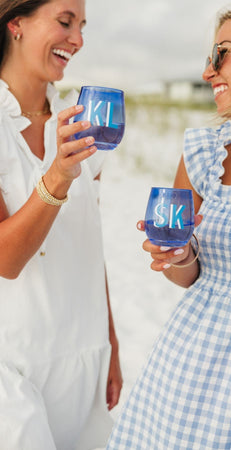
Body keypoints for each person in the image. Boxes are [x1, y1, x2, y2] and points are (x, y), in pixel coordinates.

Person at [106, 0, 231, 448]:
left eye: (222, 54)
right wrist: (178, 255)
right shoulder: (202, 153)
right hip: (198, 366)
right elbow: (187, 276)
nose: (207, 71)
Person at [0, 0, 123, 449]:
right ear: (17, 23)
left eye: (83, 26)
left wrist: (110, 343)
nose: (78, 40)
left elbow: (89, 242)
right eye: (65, 22)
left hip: (82, 355)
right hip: (13, 362)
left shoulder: (84, 123)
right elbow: (5, 259)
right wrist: (57, 176)